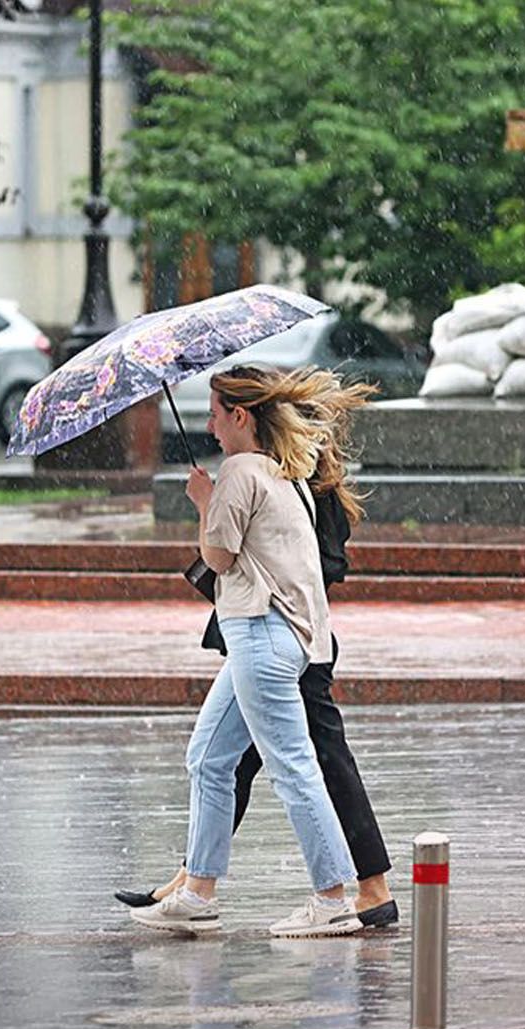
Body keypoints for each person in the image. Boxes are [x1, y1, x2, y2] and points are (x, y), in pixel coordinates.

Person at [116, 371, 395, 928]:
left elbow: (217, 558)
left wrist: (203, 502)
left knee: (294, 767)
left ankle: (334, 900)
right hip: (279, 637)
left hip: (260, 635)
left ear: (240, 416)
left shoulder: (242, 471)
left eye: (216, 413)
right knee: (210, 758)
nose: (209, 425)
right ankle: (196, 890)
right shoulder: (284, 472)